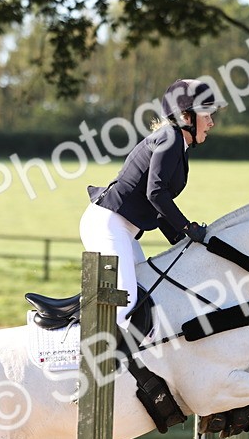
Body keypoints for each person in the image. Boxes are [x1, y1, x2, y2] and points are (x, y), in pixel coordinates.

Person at [79, 79, 224, 329]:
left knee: (143, 291)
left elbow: (158, 206)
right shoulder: (170, 138)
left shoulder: (177, 143)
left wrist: (181, 238)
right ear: (186, 116)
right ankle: (88, 356)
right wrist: (188, 228)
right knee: (124, 303)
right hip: (107, 224)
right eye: (206, 113)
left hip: (122, 229)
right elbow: (155, 193)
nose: (211, 121)